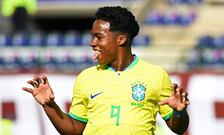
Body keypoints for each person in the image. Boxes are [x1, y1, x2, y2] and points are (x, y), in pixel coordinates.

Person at [22, 6, 189, 135]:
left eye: (99, 36)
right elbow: (74, 130)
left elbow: (178, 128)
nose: (92, 43)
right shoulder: (86, 78)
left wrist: (179, 112)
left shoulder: (156, 75)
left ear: (121, 39)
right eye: (92, 36)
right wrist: (49, 105)